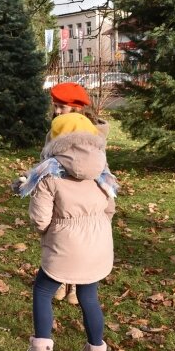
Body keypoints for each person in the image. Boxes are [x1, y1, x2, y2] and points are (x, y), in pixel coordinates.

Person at [14, 113, 117, 351]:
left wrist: (51, 233)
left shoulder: (49, 173)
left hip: (64, 243)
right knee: (89, 295)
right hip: (98, 244)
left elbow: (39, 218)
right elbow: (110, 207)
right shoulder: (102, 170)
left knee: (43, 290)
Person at [46, 82, 109, 304]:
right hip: (59, 197)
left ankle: (76, 285)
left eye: (62, 107)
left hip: (83, 201)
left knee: (80, 242)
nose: (57, 111)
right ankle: (62, 280)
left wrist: (108, 206)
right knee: (62, 243)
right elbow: (47, 161)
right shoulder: (56, 129)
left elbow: (102, 171)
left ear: (77, 109)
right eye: (56, 106)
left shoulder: (93, 136)